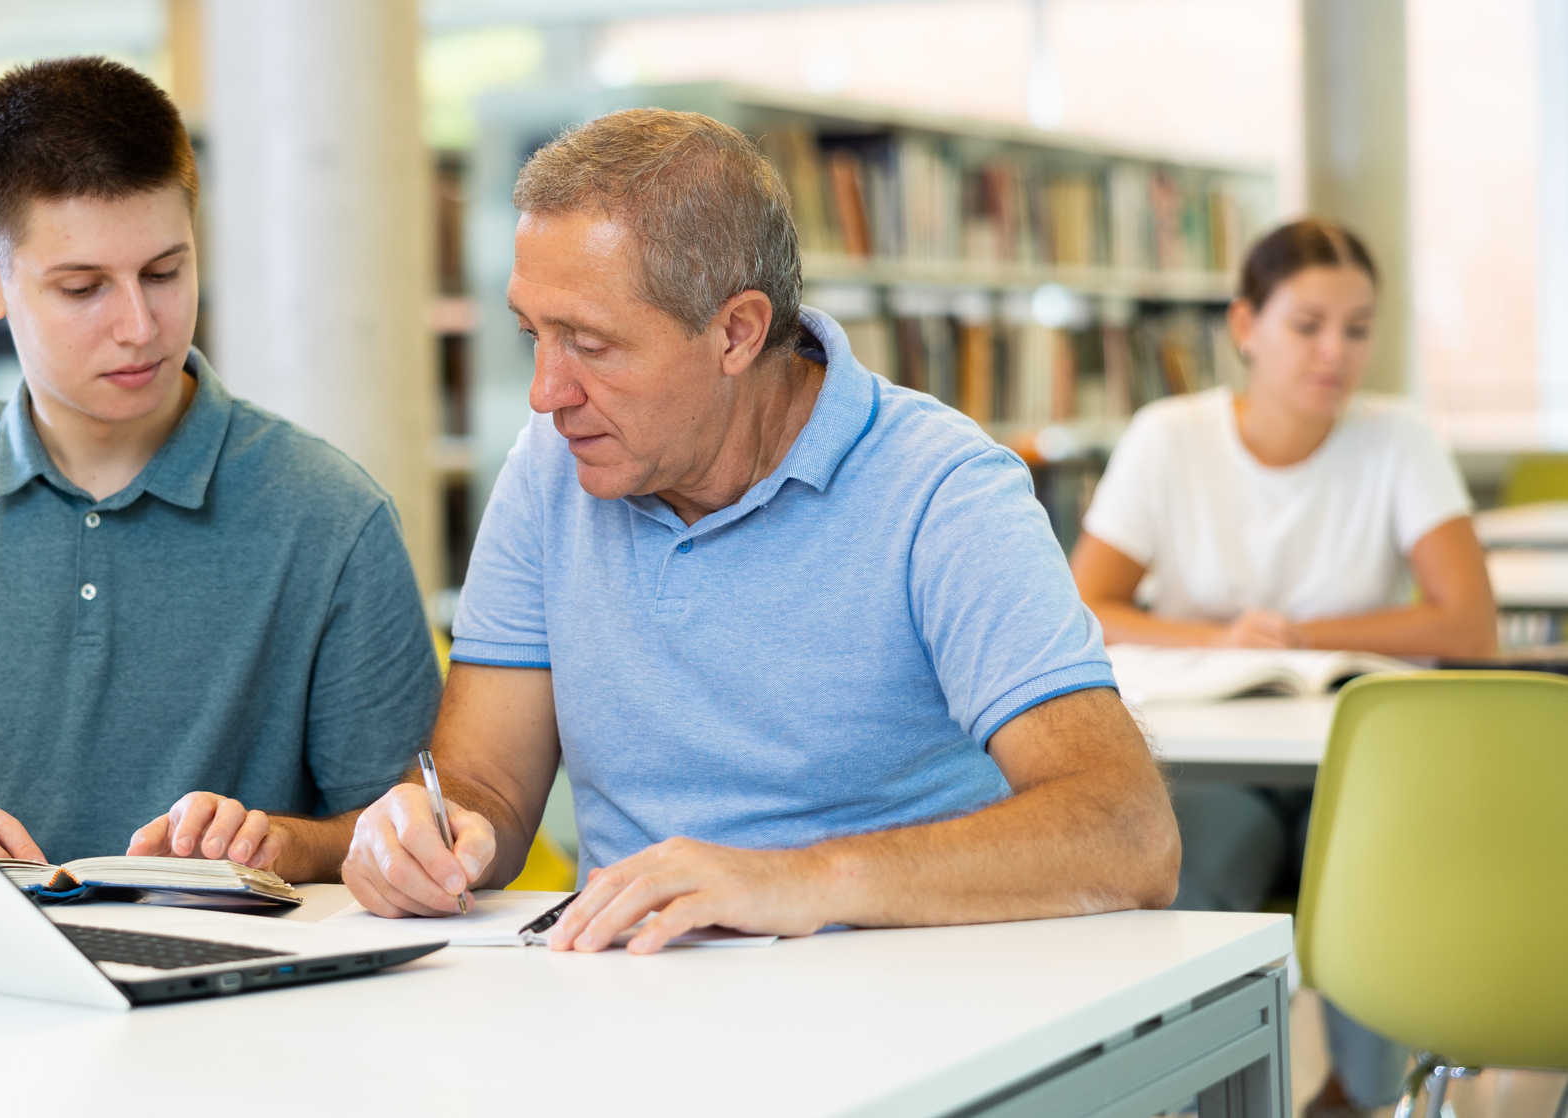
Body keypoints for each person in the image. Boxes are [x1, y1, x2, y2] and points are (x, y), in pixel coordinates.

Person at [336, 108, 1179, 951]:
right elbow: (488, 785)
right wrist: (431, 838)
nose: (544, 392)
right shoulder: (547, 470)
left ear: (736, 332)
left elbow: (1128, 833)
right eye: (533, 336)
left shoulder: (941, 488)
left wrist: (792, 878)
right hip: (633, 994)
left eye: (589, 345)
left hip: (904, 997)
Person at [0, 57, 441, 871]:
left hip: (227, 987)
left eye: (164, 272)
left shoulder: (329, 513)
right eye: (82, 288)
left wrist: (281, 841)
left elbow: (408, 833)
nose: (140, 326)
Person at [1072, 218, 1495, 1118]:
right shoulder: (1168, 437)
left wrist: (1299, 635)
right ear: (1244, 325)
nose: (1333, 352)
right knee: (1191, 860)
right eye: (1306, 324)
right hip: (1210, 756)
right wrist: (1220, 644)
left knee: (1375, 871)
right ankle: (1198, 1092)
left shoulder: (1397, 439)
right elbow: (1083, 610)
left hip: (1357, 759)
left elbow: (1468, 625)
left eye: (1356, 326)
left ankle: (1361, 1097)